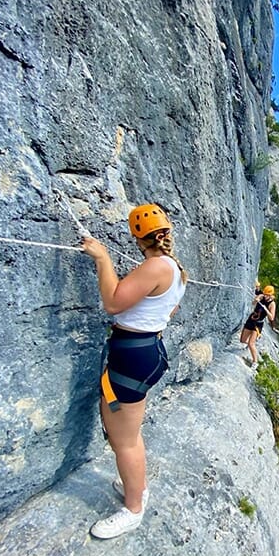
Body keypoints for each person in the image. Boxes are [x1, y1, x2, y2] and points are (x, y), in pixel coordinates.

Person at [81, 203, 188, 539]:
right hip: (146, 352)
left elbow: (113, 303)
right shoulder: (175, 268)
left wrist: (102, 259)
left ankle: (133, 509)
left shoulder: (155, 266)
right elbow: (167, 312)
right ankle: (135, 486)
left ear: (138, 237)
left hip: (132, 356)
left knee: (123, 440)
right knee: (130, 434)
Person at [239, 284, 276, 367]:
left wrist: (266, 309)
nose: (266, 296)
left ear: (271, 295)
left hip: (258, 323)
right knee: (242, 340)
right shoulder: (261, 296)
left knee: (251, 343)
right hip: (251, 319)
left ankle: (255, 362)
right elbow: (253, 303)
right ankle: (248, 348)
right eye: (265, 294)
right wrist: (256, 300)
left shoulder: (272, 304)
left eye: (268, 295)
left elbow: (272, 317)